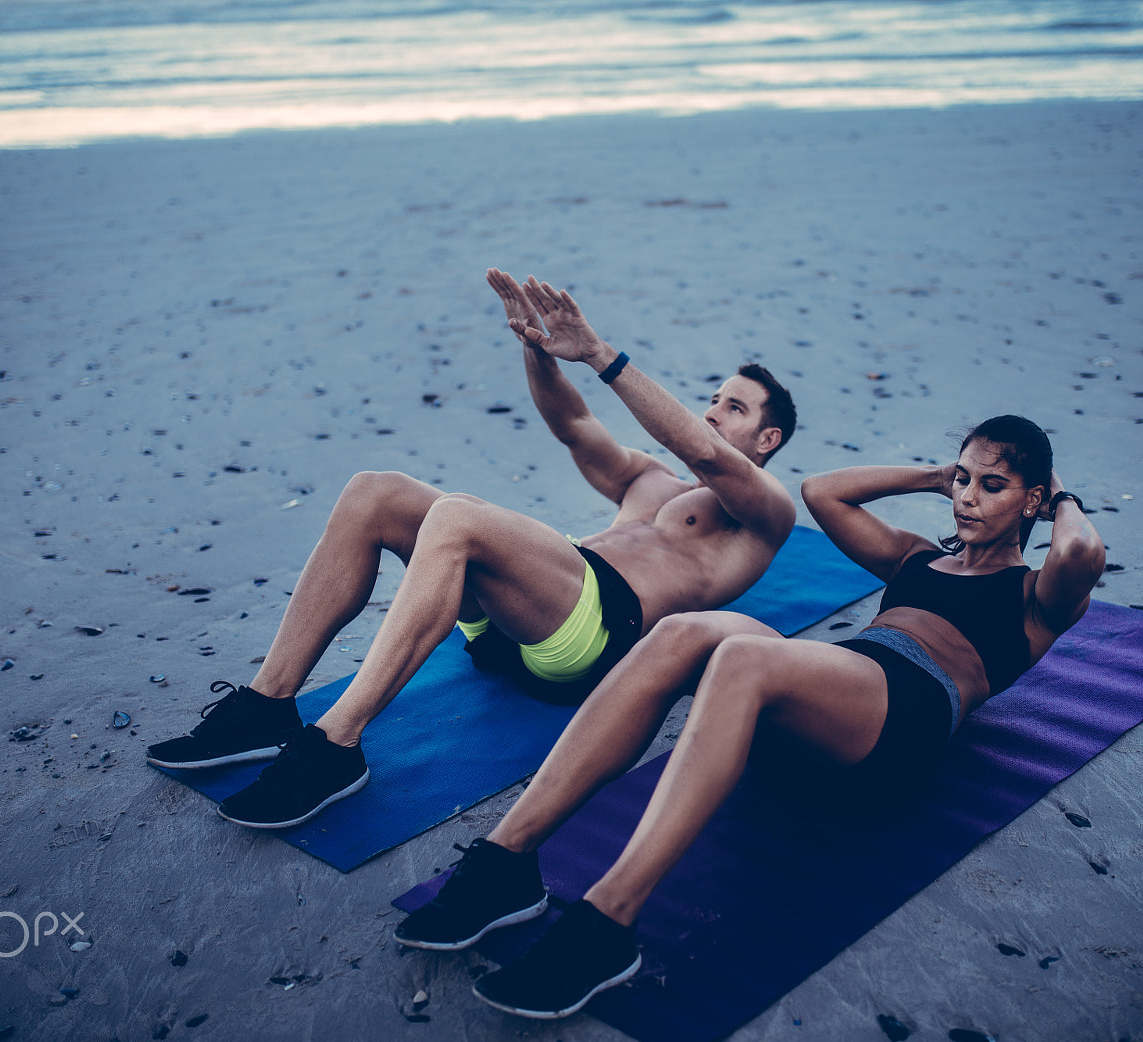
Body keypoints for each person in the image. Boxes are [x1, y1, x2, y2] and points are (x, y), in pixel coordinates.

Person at [393, 415, 1105, 1020]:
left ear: (1033, 499)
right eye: (964, 480)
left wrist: (1060, 497)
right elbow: (823, 492)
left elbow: (1081, 549)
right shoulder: (916, 559)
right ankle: (506, 861)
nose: (968, 498)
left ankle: (609, 919)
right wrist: (935, 473)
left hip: (903, 720)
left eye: (992, 485)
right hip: (833, 697)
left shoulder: (1038, 596)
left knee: (741, 656)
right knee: (683, 632)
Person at [145, 271, 798, 830]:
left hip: (589, 643)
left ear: (767, 438)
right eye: (712, 399)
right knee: (376, 491)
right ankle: (269, 702)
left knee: (457, 516)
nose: (712, 412)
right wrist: (541, 351)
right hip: (514, 620)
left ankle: (335, 743)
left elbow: (702, 451)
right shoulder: (651, 480)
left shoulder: (764, 514)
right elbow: (572, 426)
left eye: (733, 407)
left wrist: (599, 353)